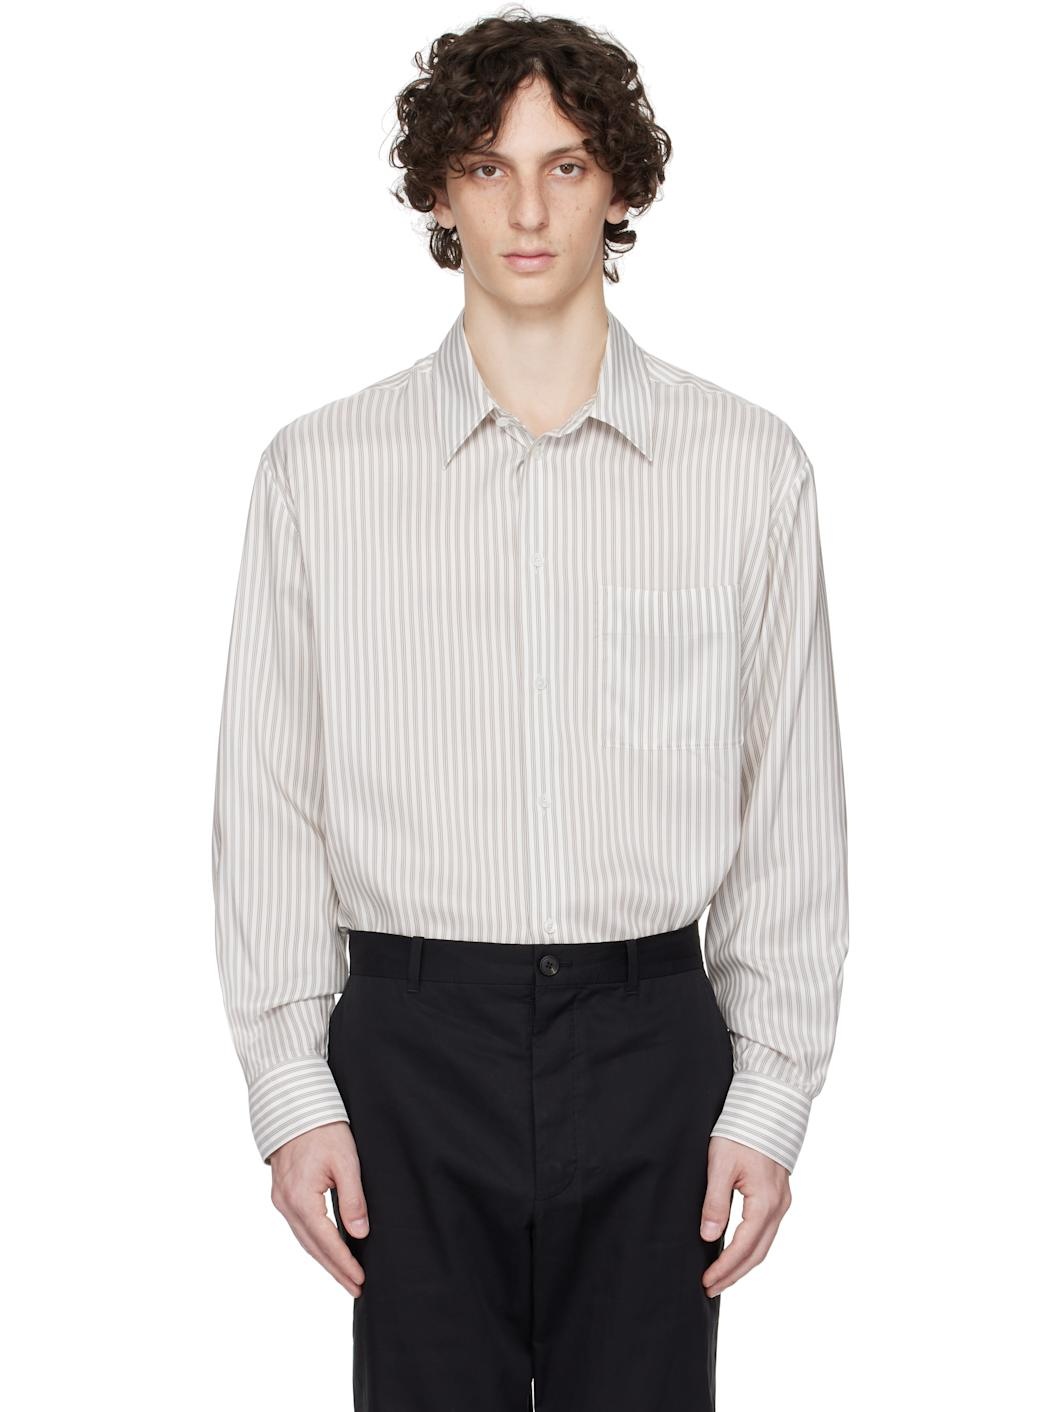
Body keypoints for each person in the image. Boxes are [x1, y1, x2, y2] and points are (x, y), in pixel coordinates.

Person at [211, 9, 849, 1409]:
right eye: (488, 168)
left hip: (653, 1035)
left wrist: (771, 1093)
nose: (527, 209)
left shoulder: (745, 468)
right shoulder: (322, 471)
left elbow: (789, 802)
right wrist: (291, 1088)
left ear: (617, 186)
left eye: (565, 166)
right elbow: (270, 792)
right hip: (410, 1044)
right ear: (440, 193)